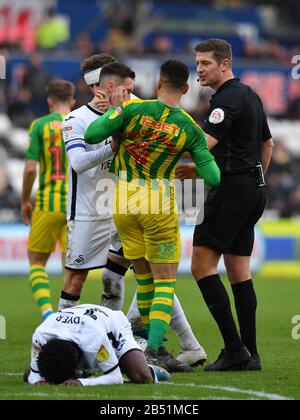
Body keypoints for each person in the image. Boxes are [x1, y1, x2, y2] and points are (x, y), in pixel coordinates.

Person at [61, 58, 207, 372]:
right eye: (124, 88)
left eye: (131, 88)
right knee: (79, 278)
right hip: (90, 210)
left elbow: (173, 148)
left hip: (127, 205)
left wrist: (189, 207)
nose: (130, 94)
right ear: (100, 87)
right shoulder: (76, 119)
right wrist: (114, 147)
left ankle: (172, 345)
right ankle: (62, 345)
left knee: (144, 276)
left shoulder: (137, 108)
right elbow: (77, 163)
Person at [177, 39, 274, 371]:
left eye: (205, 63)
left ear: (225, 63)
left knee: (201, 266)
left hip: (230, 188)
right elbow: (267, 144)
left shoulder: (227, 98)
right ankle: (251, 354)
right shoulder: (249, 94)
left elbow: (205, 143)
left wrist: (163, 149)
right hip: (252, 187)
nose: (199, 69)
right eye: (198, 63)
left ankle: (234, 350)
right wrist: (254, 182)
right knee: (238, 271)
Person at [22, 80, 75, 320]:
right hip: (75, 206)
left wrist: (25, 200)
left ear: (49, 101)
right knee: (71, 267)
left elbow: (31, 168)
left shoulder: (39, 125)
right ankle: (68, 316)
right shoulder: (80, 122)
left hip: (46, 203)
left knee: (36, 262)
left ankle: (46, 313)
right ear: (72, 102)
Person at [24, 304, 170, 386]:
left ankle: (143, 354)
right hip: (80, 324)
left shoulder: (94, 338)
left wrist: (81, 382)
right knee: (29, 374)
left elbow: (115, 377)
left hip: (114, 328)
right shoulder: (41, 335)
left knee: (141, 376)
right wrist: (37, 381)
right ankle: (88, 369)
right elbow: (34, 374)